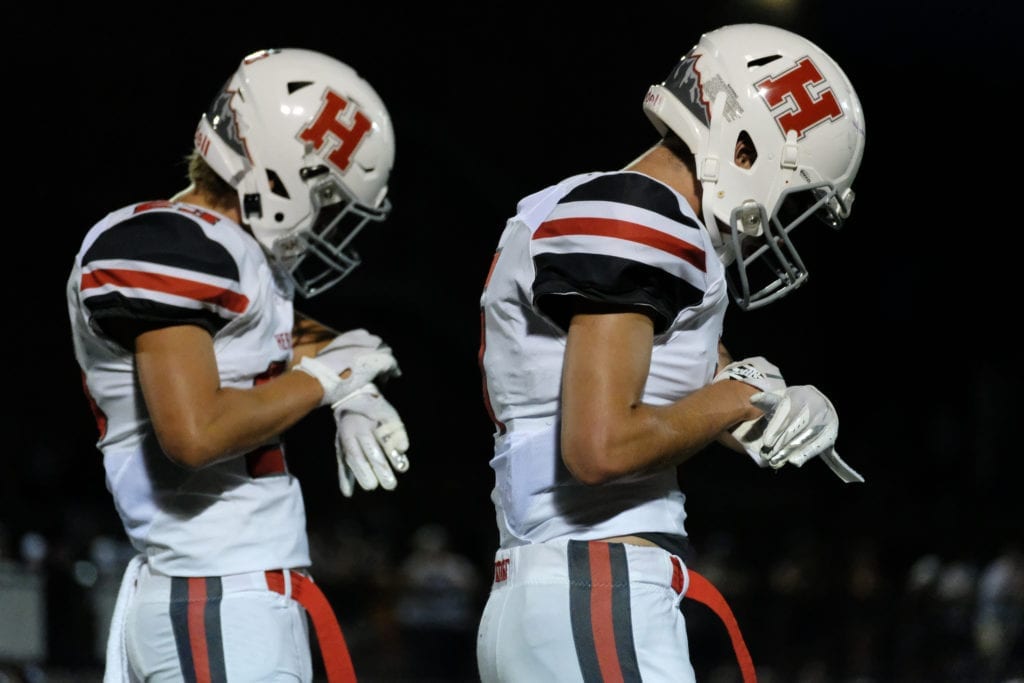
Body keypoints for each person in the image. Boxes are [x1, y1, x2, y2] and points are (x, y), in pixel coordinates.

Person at [475, 23, 866, 683]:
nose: (776, 221)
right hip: (594, 584)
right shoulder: (641, 218)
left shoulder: (608, 205)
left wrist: (772, 403)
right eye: (792, 194)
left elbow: (692, 387)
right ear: (744, 148)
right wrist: (732, 396)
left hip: (567, 585)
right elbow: (600, 447)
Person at [67, 47, 412, 683]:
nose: (328, 223)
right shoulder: (167, 246)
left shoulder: (225, 253)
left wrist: (347, 387)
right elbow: (195, 435)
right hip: (213, 594)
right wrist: (324, 381)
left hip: (227, 595)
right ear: (286, 176)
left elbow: (290, 339)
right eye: (329, 200)